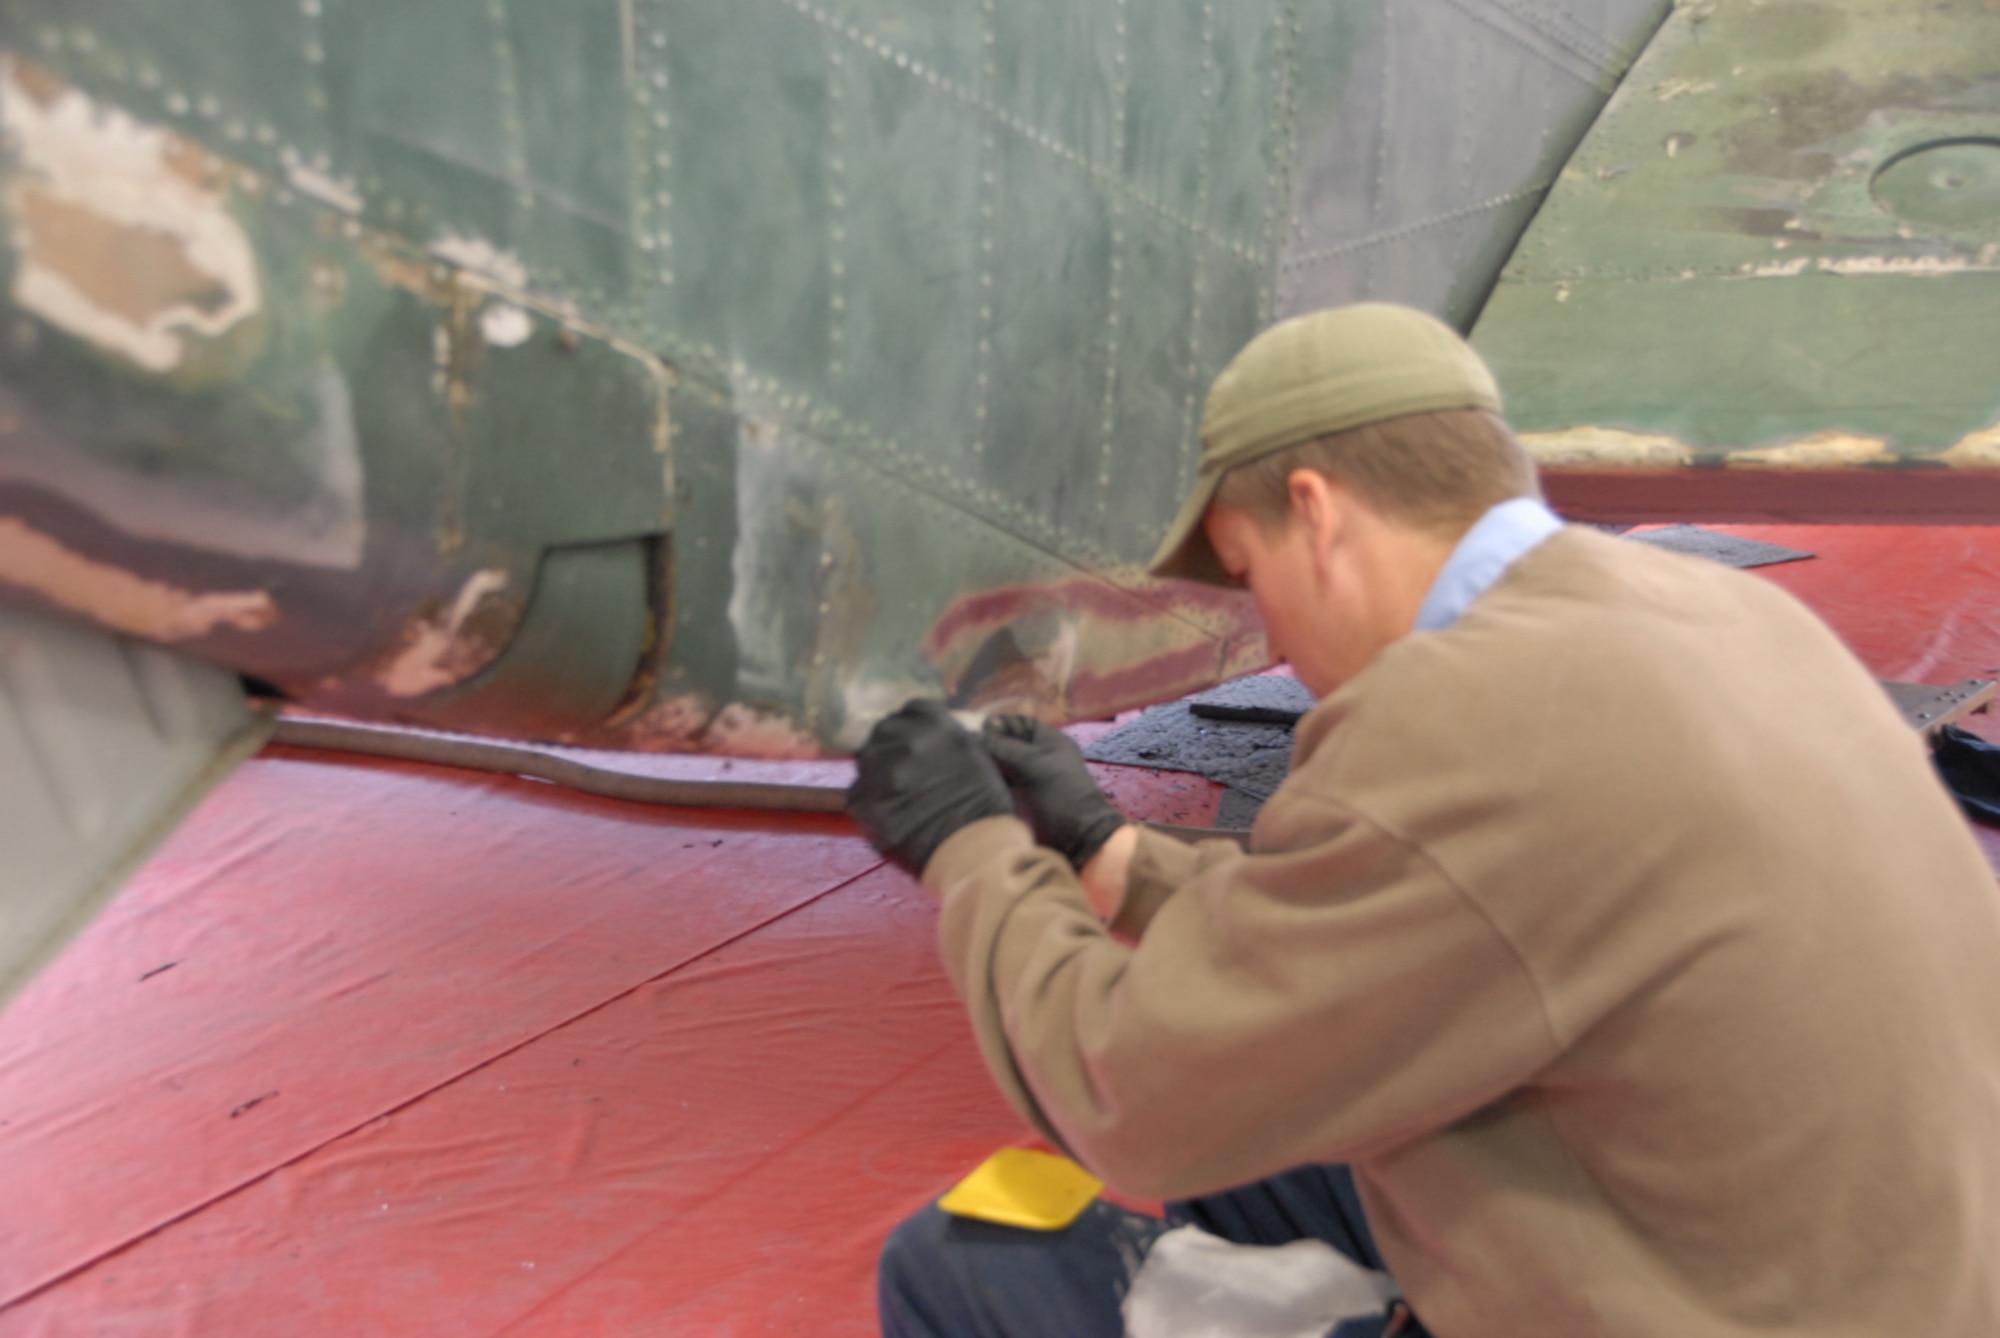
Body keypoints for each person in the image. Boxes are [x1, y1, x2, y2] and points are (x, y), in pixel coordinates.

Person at [846, 303, 2000, 1337]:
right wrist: (1113, 852)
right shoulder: (1707, 613)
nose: (1280, 643)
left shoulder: (1454, 720)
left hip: (1730, 1292)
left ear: (1316, 513)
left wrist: (970, 849)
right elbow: (1427, 914)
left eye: (1254, 579)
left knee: (969, 1264)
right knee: (1270, 1149)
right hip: (1849, 1273)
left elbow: (1127, 1094)